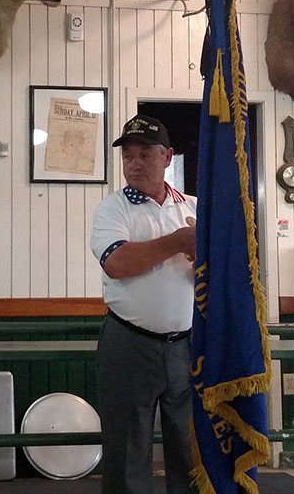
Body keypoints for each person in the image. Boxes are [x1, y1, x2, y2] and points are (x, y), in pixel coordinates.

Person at [89, 114, 198, 494]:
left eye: (145, 154)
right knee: (126, 450)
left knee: (189, 447)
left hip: (187, 344)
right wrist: (180, 241)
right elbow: (118, 264)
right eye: (128, 156)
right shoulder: (112, 210)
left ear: (167, 157)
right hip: (129, 342)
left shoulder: (195, 207)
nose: (134, 163)